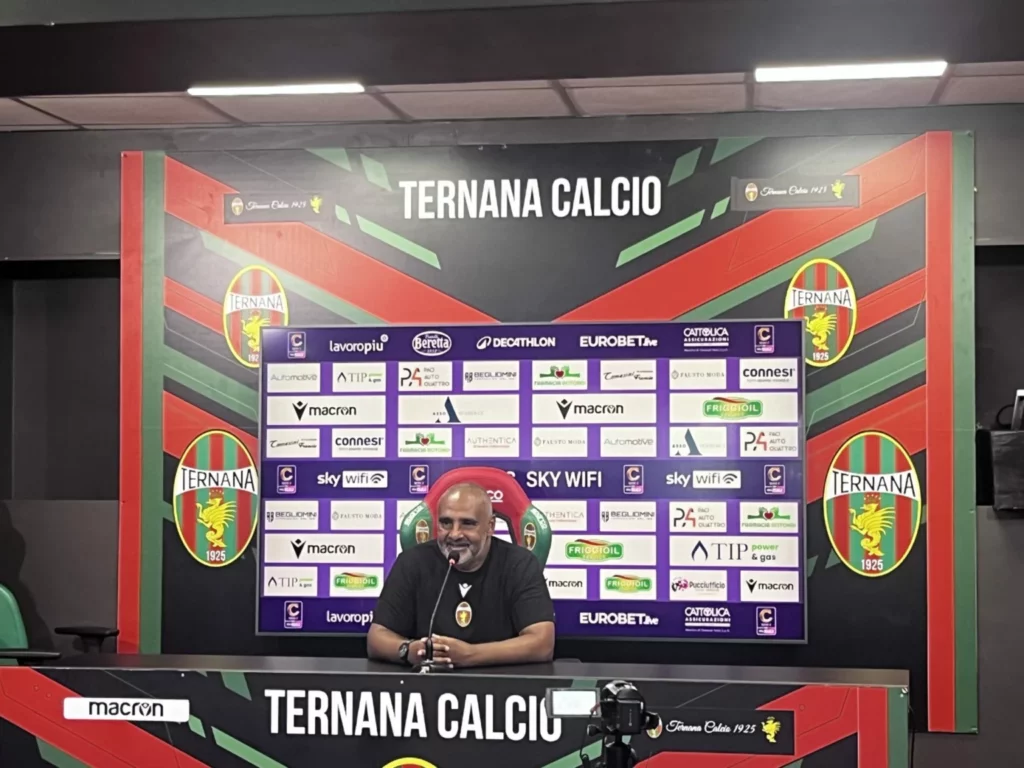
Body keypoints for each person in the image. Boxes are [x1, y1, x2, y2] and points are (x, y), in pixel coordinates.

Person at [367, 482, 555, 668]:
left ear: (490, 526)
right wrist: (408, 650)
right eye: (446, 523)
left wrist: (469, 655)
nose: (455, 534)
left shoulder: (519, 563)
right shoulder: (412, 562)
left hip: (500, 683)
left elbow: (542, 643)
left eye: (467, 523)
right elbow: (377, 638)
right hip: (428, 683)